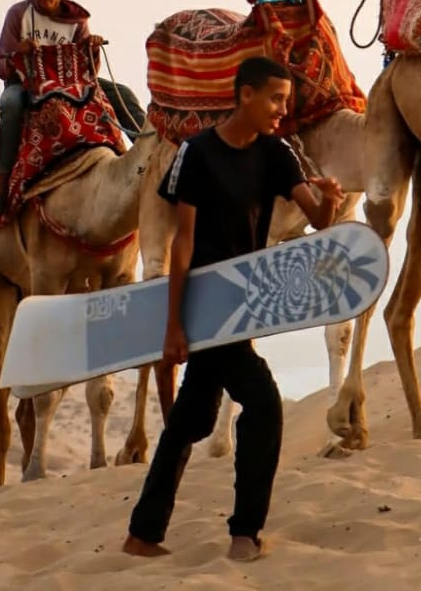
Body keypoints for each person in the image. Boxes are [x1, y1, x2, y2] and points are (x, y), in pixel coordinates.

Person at [122, 56, 344, 563]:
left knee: (191, 418)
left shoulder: (275, 153)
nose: (280, 111)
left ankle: (143, 533)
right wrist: (174, 324)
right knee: (262, 402)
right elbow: (183, 242)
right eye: (274, 99)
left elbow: (316, 219)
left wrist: (329, 201)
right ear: (245, 95)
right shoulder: (198, 154)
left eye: (285, 101)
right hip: (203, 302)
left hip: (242, 304)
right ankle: (245, 533)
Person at [0, 0, 144, 215]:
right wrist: (18, 55)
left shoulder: (77, 20)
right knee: (9, 103)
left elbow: (89, 71)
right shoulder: (18, 15)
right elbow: (1, 66)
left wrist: (91, 49)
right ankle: (1, 189)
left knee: (121, 93)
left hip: (70, 83)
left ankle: (147, 153)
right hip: (27, 83)